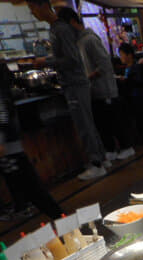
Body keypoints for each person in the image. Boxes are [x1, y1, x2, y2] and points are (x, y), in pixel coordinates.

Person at [26, 0, 107, 180]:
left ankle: (97, 163)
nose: (32, 13)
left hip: (75, 83)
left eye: (32, 8)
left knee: (84, 124)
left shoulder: (61, 29)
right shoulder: (56, 28)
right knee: (87, 123)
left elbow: (71, 59)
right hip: (75, 83)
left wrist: (45, 62)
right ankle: (101, 159)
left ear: (42, 6)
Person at [57, 7, 135, 163]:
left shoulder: (90, 39)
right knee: (102, 123)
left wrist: (88, 78)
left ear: (73, 22)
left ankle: (127, 148)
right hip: (93, 90)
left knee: (113, 120)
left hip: (105, 89)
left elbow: (105, 65)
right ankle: (110, 150)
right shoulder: (78, 42)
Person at [0, 63, 63, 221]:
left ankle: (61, 218)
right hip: (11, 147)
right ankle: (58, 216)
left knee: (31, 186)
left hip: (8, 149)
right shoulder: (5, 93)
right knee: (28, 185)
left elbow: (2, 119)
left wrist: (0, 142)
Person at [118, 43, 143, 145]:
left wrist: (126, 80)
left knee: (142, 119)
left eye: (122, 54)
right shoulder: (127, 68)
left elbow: (138, 82)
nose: (121, 57)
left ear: (129, 55)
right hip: (132, 98)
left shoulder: (136, 67)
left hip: (138, 97)